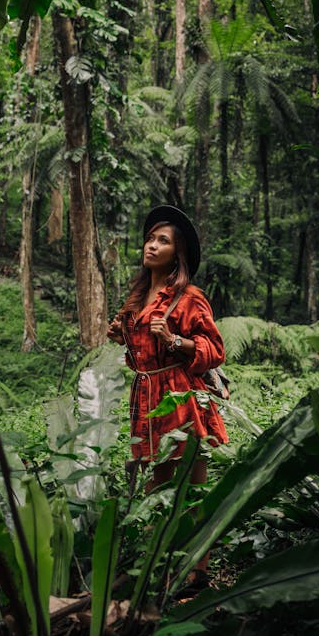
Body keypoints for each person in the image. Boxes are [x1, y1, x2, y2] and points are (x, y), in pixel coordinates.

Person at [107, 205, 229, 494]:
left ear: (178, 253)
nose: (152, 245)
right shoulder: (138, 297)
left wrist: (174, 340)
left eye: (163, 240)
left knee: (191, 484)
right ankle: (158, 537)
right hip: (146, 395)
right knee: (154, 484)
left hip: (180, 397)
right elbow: (144, 349)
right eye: (150, 238)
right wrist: (121, 336)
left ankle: (201, 537)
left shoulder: (189, 298)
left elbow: (215, 350)